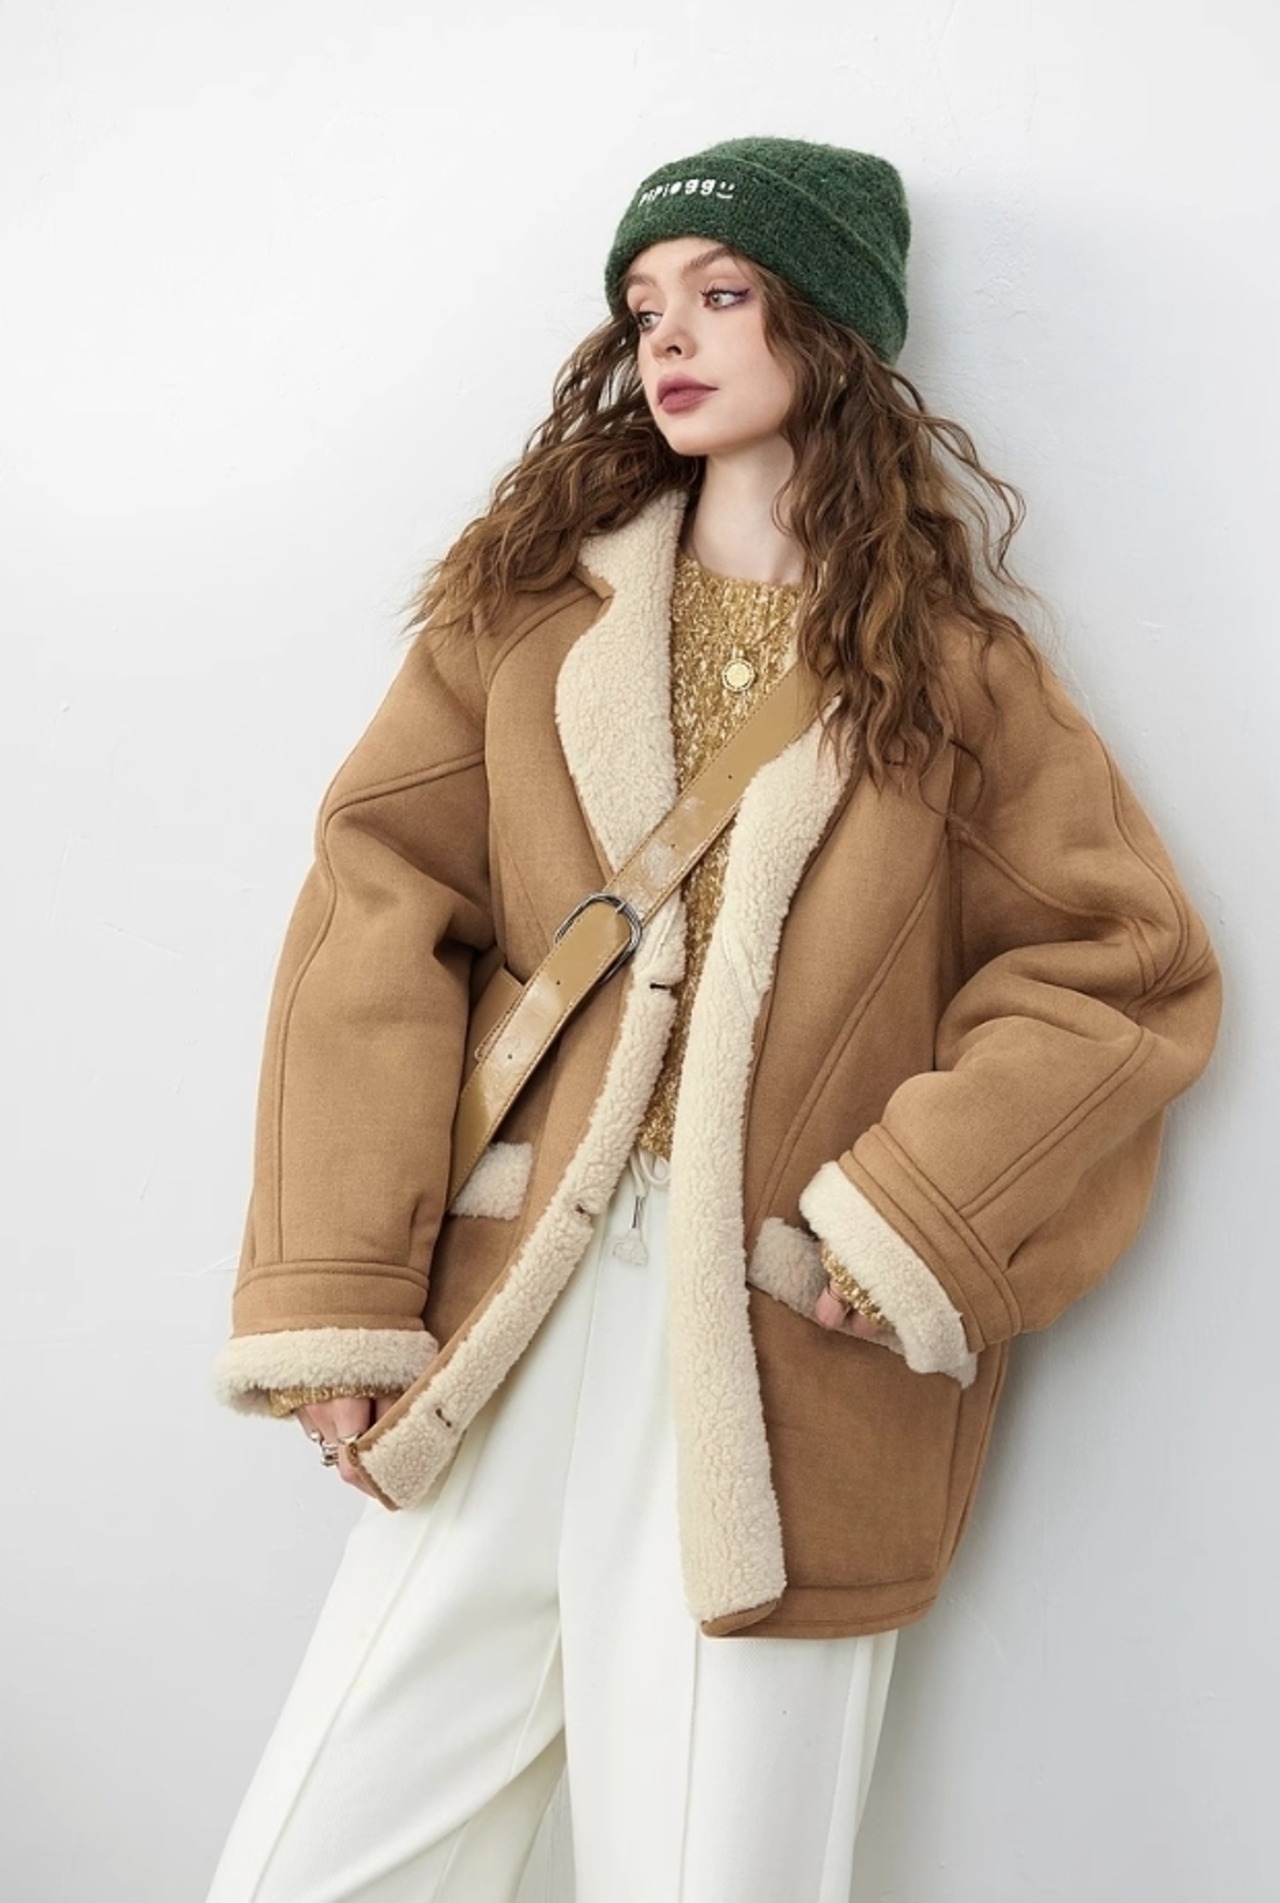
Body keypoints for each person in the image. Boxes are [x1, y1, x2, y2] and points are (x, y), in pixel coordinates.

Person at [206, 137, 1223, 1902]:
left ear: (828, 325)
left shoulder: (957, 681)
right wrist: (339, 1297)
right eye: (643, 306)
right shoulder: (526, 628)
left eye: (721, 294)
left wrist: (906, 1223)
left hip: (774, 1360)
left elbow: (1121, 967)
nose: (667, 338)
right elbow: (374, 925)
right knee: (316, 1862)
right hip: (511, 1321)